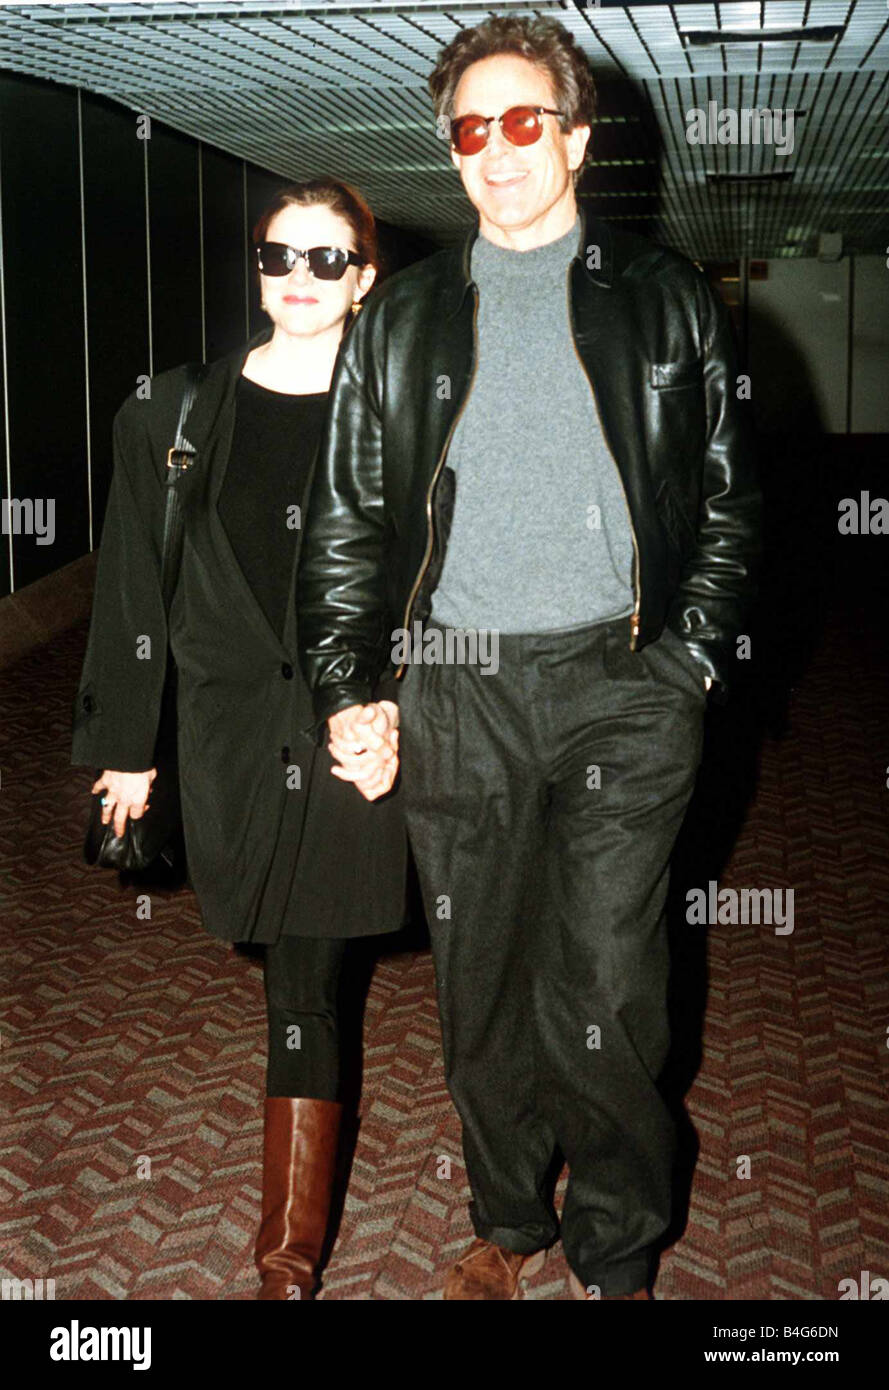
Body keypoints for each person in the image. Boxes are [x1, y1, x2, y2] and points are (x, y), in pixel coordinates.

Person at [296, 15, 761, 1301]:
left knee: (607, 981)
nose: (493, 150)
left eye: (520, 121)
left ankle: (617, 1250)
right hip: (458, 687)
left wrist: (690, 665)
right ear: (448, 153)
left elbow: (728, 501)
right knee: (481, 973)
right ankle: (506, 1221)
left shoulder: (660, 296)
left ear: (573, 134)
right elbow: (346, 518)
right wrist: (350, 686)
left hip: (624, 685)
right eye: (468, 129)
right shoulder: (401, 321)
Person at [71, 179, 408, 1301]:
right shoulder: (171, 413)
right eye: (278, 258)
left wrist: (403, 705)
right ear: (255, 269)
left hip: (359, 734)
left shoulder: (408, 420)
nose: (298, 281)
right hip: (230, 729)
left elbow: (447, 587)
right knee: (278, 951)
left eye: (327, 260)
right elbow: (134, 588)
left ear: (363, 279)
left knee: (306, 982)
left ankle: (285, 1264)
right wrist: (129, 745)